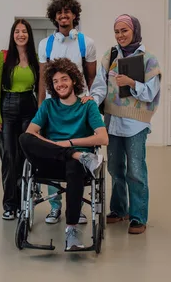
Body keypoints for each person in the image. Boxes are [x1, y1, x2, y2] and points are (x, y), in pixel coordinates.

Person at [19, 58, 108, 250]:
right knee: (24, 138)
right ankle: (76, 155)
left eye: (64, 79)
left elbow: (103, 138)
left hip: (75, 168)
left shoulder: (88, 105)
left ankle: (72, 229)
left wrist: (69, 143)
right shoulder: (49, 105)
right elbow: (31, 133)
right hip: (52, 162)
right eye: (56, 81)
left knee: (74, 165)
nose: (60, 84)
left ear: (74, 80)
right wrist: (71, 151)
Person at [86, 14, 161, 235]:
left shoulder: (149, 59)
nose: (120, 36)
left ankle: (138, 216)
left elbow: (150, 93)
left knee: (136, 171)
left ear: (134, 31)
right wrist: (92, 100)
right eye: (117, 31)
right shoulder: (109, 56)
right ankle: (119, 210)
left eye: (124, 31)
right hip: (111, 121)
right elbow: (100, 86)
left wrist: (131, 82)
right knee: (114, 168)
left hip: (136, 123)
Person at [37, 0, 97, 225]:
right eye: (59, 12)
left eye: (68, 12)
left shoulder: (86, 43)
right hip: (54, 106)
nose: (64, 15)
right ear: (54, 17)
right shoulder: (46, 44)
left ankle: (77, 207)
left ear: (74, 15)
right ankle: (54, 207)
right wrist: (41, 107)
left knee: (78, 151)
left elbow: (91, 77)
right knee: (52, 151)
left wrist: (93, 102)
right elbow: (44, 79)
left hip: (80, 106)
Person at [0, 19, 39, 220]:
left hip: (29, 106)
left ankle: (23, 203)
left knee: (26, 157)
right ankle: (9, 204)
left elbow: (39, 88)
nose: (21, 34)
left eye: (24, 31)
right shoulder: (3, 57)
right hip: (8, 107)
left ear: (29, 35)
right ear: (13, 35)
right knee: (9, 158)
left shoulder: (35, 58)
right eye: (17, 31)